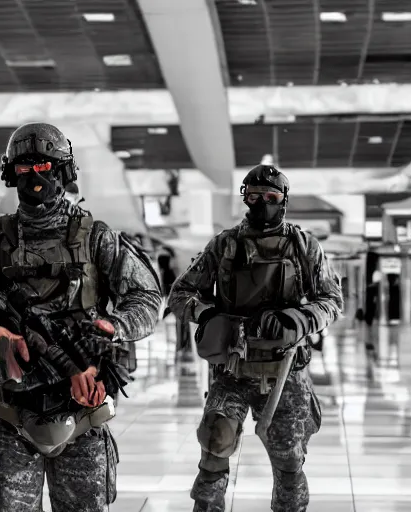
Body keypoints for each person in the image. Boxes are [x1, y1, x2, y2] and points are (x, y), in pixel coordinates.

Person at [0, 122, 162, 512]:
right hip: (10, 415)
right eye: (25, 167)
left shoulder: (96, 237)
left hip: (83, 412)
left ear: (64, 171)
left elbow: (148, 297)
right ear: (11, 174)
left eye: (45, 165)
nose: (35, 176)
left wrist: (114, 328)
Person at [168, 164, 343, 512]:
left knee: (289, 463)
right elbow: (180, 294)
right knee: (214, 448)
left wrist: (296, 320)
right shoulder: (225, 245)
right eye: (254, 196)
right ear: (244, 198)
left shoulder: (304, 246)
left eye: (271, 197)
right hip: (231, 369)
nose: (262, 202)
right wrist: (210, 316)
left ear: (284, 201)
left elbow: (332, 301)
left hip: (285, 372)